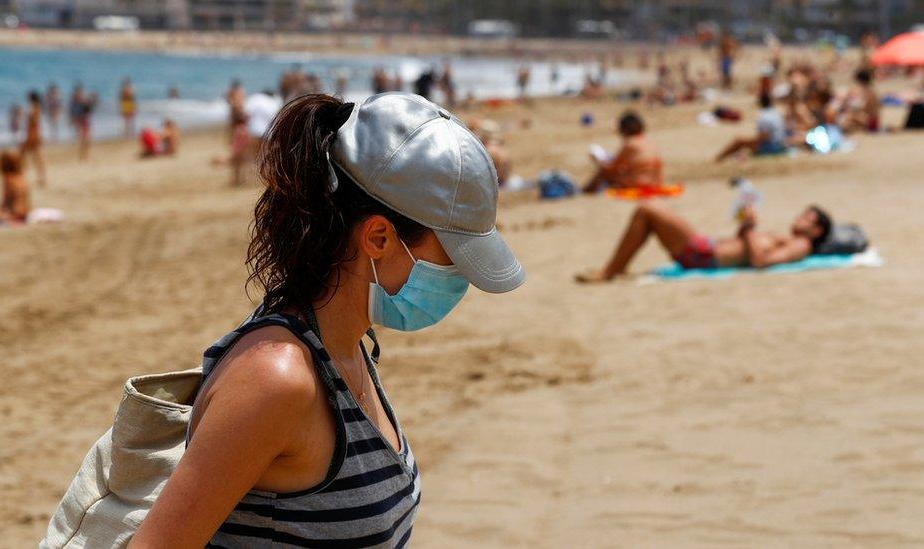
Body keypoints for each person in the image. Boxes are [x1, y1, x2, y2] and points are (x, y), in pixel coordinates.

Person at [130, 93, 525, 547]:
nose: (462, 280)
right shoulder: (276, 379)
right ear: (378, 237)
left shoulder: (346, 346)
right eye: (453, 259)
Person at [575, 201, 832, 283]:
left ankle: (611, 271)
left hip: (706, 256)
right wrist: (744, 228)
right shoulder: (786, 238)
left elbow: (761, 261)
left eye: (807, 218)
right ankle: (614, 269)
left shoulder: (802, 246)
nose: (800, 218)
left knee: (647, 211)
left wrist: (750, 230)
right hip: (706, 250)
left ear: (817, 230)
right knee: (649, 213)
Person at [583, 111, 664, 192]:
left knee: (603, 173)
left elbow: (612, 168)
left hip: (639, 184)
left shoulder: (630, 143)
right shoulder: (648, 142)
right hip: (656, 183)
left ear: (624, 129)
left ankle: (584, 193)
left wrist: (598, 162)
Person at [715, 93, 788, 162]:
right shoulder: (776, 113)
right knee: (743, 142)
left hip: (772, 146)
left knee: (739, 141)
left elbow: (764, 137)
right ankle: (720, 158)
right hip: (780, 143)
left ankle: (718, 159)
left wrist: (750, 143)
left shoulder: (764, 116)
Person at [0, 150, 30, 226]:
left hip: (14, 216)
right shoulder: (21, 177)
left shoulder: (8, 180)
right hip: (25, 214)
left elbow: (4, 205)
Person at [19, 90, 47, 187]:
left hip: (32, 133)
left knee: (26, 154)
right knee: (36, 156)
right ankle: (42, 177)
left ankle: (21, 175)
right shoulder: (36, 107)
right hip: (34, 133)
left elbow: (34, 121)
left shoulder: (34, 107)